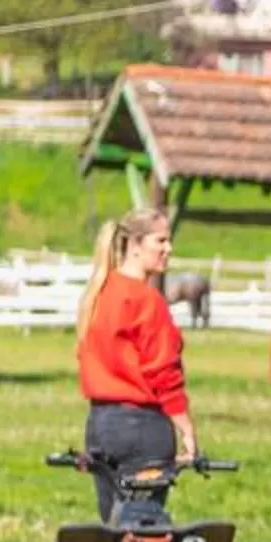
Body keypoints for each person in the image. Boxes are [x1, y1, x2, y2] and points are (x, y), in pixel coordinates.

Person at [74, 208, 199, 522]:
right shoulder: (146, 300)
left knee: (114, 528)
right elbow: (163, 369)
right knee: (145, 528)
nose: (169, 249)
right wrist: (185, 427)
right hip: (141, 428)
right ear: (135, 245)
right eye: (161, 240)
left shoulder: (97, 294)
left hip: (100, 426)